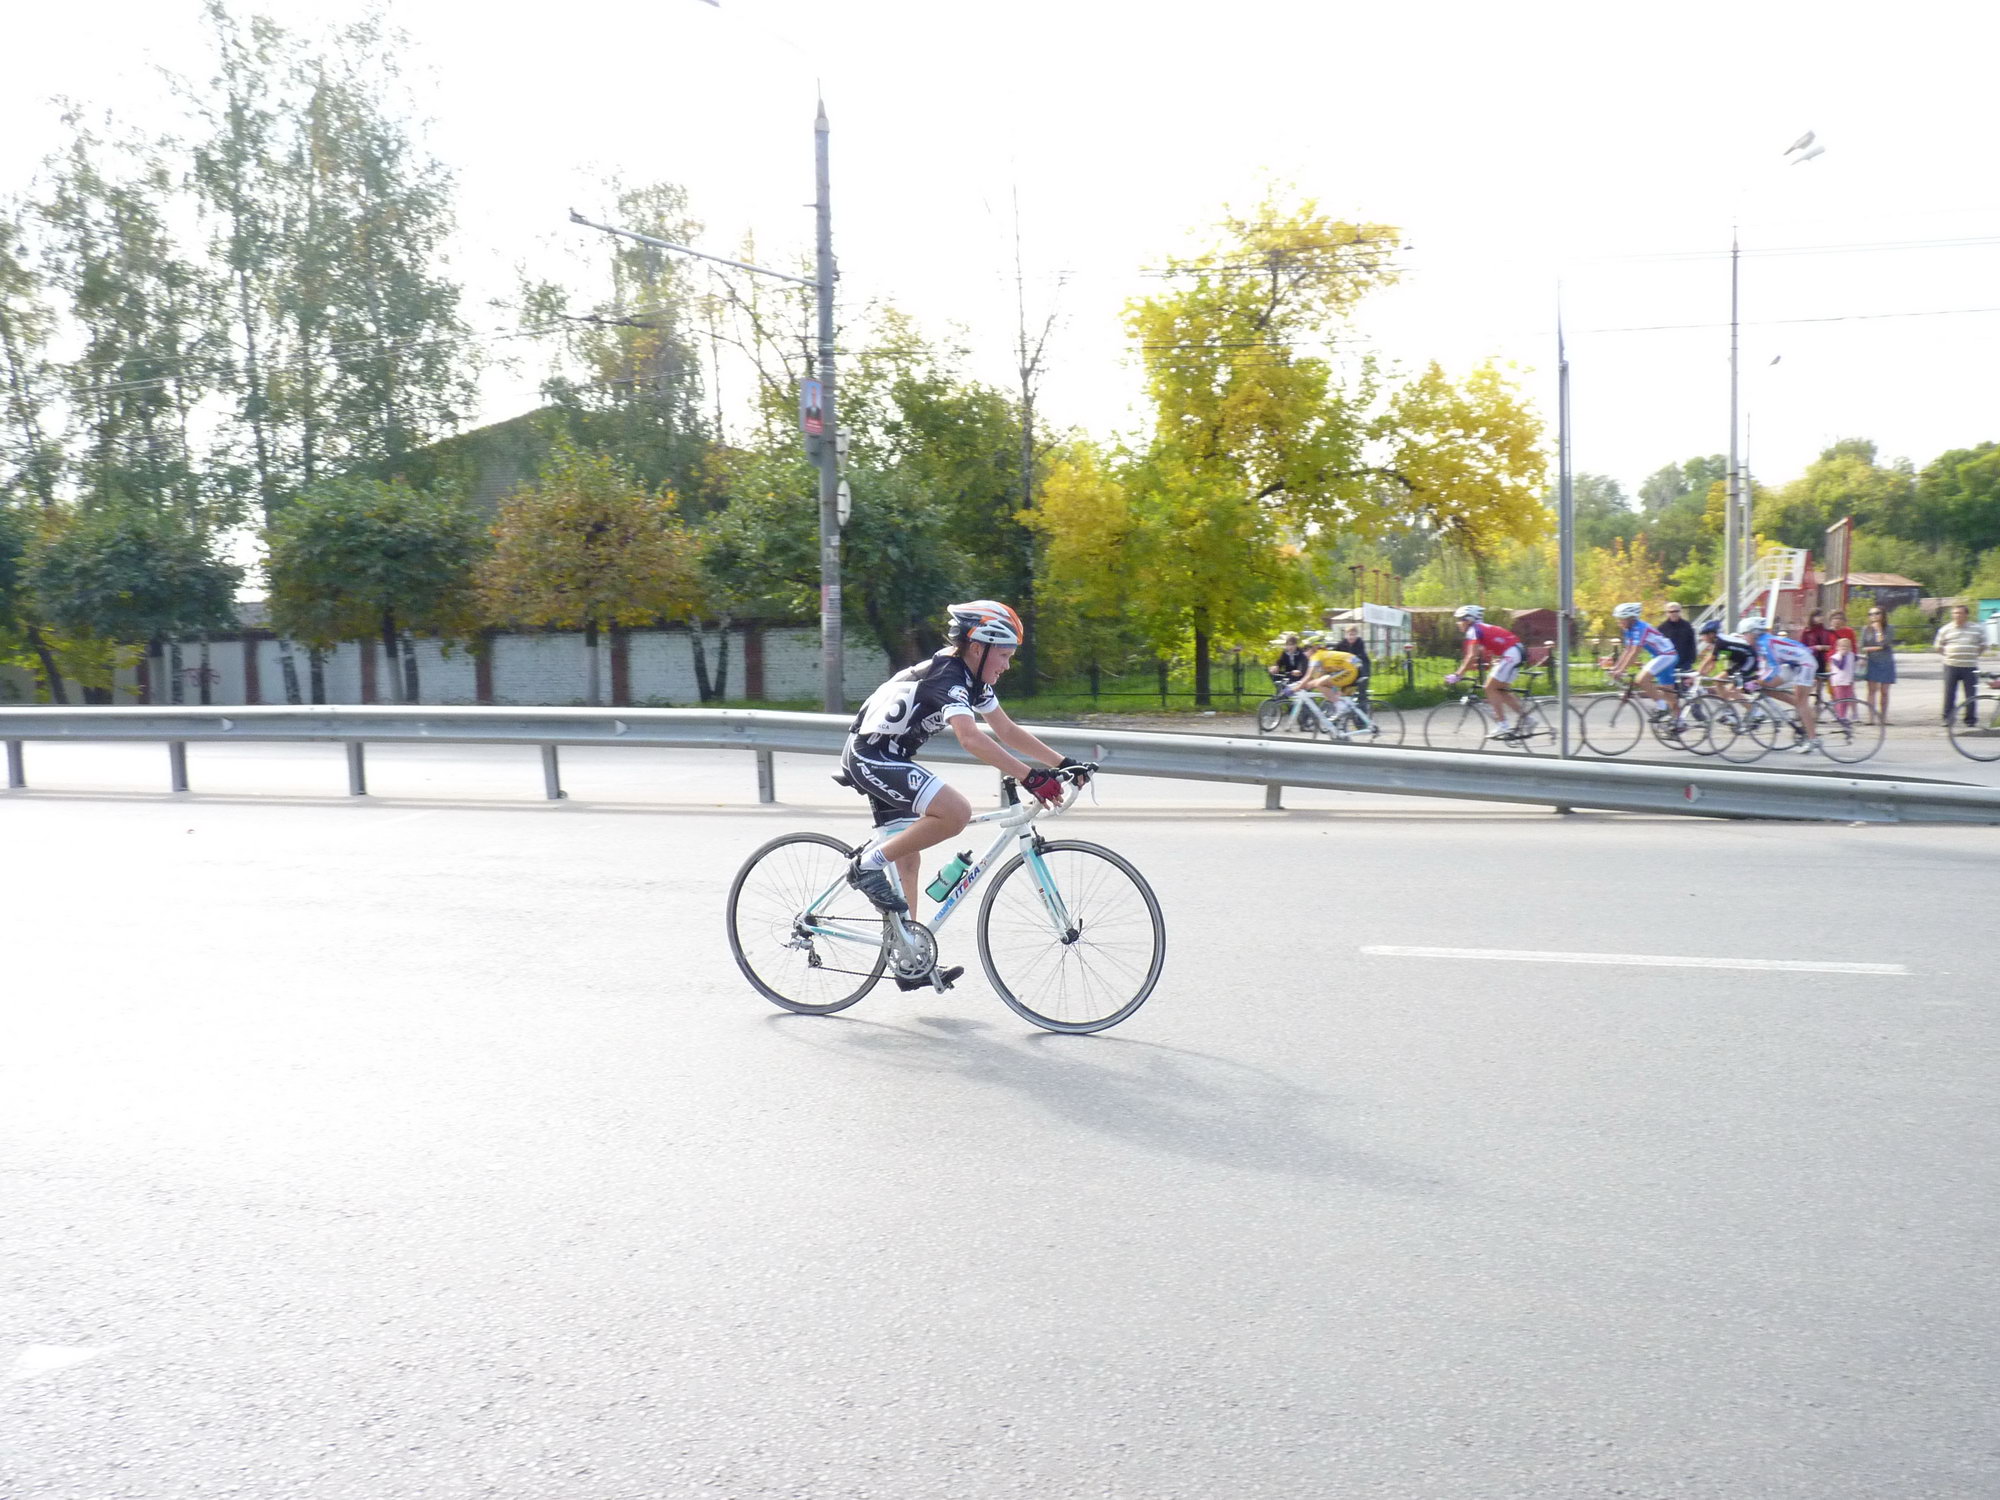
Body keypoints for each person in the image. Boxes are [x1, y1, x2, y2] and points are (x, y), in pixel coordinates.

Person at [839, 600, 1087, 988]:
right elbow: (970, 738)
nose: (1007, 665)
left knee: (908, 857)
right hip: (870, 755)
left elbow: (1006, 730)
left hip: (892, 755)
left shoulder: (974, 680)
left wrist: (1063, 762)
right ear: (977, 648)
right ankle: (866, 867)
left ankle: (908, 959)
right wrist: (1028, 776)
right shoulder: (949, 675)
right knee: (955, 812)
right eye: (1003, 655)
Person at [1739, 613, 1820, 753]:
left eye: (1745, 634)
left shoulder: (1765, 643)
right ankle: (1800, 707)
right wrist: (1756, 680)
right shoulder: (1761, 643)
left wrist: (1757, 681)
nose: (1743, 638)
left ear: (1753, 633)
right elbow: (1764, 668)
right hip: (1793, 664)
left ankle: (1813, 739)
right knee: (1766, 687)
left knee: (1801, 703)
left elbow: (1774, 669)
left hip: (1805, 663)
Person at [1445, 604, 1527, 739]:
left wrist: (1458, 674)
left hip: (1512, 653)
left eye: (1460, 619)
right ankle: (1527, 719)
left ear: (1468, 620)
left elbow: (1472, 655)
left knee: (1489, 687)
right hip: (1516, 651)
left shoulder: (1474, 630)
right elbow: (1494, 644)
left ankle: (1503, 724)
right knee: (1501, 691)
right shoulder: (1480, 628)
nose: (1458, 623)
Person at [1598, 602, 1682, 722]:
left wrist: (1621, 670)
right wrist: (1616, 668)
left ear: (1631, 618)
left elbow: (1635, 652)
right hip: (1660, 656)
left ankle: (1662, 708)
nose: (1619, 622)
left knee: (1641, 679)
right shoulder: (1629, 629)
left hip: (1666, 655)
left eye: (1621, 619)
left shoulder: (1641, 628)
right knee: (1669, 695)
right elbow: (1627, 650)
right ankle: (1679, 722)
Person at [1935, 604, 1987, 728]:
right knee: (1949, 693)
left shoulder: (1976, 628)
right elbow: (1938, 646)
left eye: (1960, 613)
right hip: (1951, 665)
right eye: (1955, 613)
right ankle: (1948, 719)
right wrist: (1949, 655)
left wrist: (1973, 655)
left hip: (1970, 666)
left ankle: (1970, 720)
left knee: (1971, 694)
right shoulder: (1945, 629)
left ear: (1966, 615)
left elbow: (1983, 645)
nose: (1957, 615)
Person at [1694, 619, 1757, 705]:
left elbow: (1709, 659)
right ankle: (1726, 708)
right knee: (1717, 680)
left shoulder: (1720, 642)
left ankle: (1754, 711)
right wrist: (1703, 674)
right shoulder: (1719, 642)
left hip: (1750, 660)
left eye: (1703, 635)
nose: (1702, 638)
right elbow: (1713, 664)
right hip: (1741, 662)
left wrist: (1698, 673)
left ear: (1711, 634)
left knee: (1732, 690)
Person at [1860, 604, 1897, 719]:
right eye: (1871, 614)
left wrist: (1878, 630)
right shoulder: (1866, 629)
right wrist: (1877, 648)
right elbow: (1862, 647)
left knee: (1884, 691)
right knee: (1871, 690)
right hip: (1872, 661)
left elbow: (1884, 643)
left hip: (1886, 662)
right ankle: (1871, 717)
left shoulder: (1889, 628)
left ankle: (1883, 717)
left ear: (1883, 615)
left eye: (1877, 613)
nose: (1874, 616)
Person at [1334, 624, 1372, 701]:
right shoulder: (1341, 644)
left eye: (1354, 635)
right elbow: (1334, 654)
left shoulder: (1360, 642)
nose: (1352, 637)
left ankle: (1363, 705)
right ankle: (1346, 703)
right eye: (1350, 635)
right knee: (1344, 688)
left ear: (1357, 635)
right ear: (1346, 635)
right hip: (1348, 670)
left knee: (1362, 686)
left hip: (1362, 668)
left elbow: (1359, 657)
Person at [1659, 601, 1698, 675]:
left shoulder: (1687, 626)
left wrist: (1691, 660)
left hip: (1685, 663)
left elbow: (1692, 644)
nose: (1674, 613)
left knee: (1685, 681)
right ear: (1667, 613)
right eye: (1671, 611)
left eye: (1676, 611)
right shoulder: (1662, 628)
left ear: (1680, 612)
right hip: (1668, 663)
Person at [1826, 634, 1858, 723]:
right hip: (1838, 682)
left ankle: (1844, 715)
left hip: (1848, 681)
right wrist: (1843, 656)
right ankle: (1840, 715)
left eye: (1847, 647)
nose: (1844, 648)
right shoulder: (1835, 657)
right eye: (1842, 646)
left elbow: (1856, 660)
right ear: (1837, 648)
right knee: (1840, 699)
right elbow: (1841, 666)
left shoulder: (1851, 655)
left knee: (1847, 699)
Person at [1801, 610, 1836, 676]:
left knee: (1822, 677)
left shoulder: (1826, 631)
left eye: (1821, 615)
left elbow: (1832, 645)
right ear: (1812, 618)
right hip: (1811, 658)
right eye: (1818, 616)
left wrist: (1827, 648)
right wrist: (1816, 648)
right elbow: (1802, 648)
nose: (1821, 617)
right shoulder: (1807, 631)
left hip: (1823, 659)